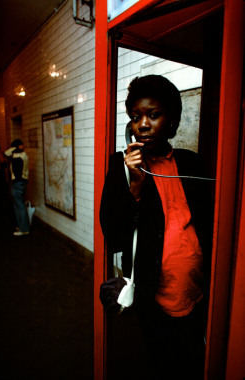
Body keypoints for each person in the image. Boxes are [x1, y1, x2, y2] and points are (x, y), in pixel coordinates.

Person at [100, 75, 213, 379]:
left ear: (172, 121)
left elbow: (209, 219)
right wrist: (135, 186)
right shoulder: (120, 166)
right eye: (136, 117)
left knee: (193, 357)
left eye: (153, 115)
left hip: (198, 287)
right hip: (155, 290)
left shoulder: (191, 163)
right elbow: (113, 232)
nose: (143, 125)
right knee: (162, 362)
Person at [4, 139, 30, 236]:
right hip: (20, 183)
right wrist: (15, 148)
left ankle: (24, 229)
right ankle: (21, 225)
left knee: (20, 206)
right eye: (21, 145)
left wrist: (14, 148)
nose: (23, 146)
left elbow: (6, 154)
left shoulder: (19, 157)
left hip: (18, 183)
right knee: (18, 205)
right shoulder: (21, 155)